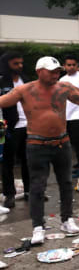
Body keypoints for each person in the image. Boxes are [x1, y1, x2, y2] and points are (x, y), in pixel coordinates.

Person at [0, 56, 79, 245]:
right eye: (51, 71)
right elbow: (2, 101)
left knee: (66, 183)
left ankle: (67, 220)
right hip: (36, 145)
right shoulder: (25, 90)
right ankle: (38, 227)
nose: (56, 74)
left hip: (62, 143)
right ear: (39, 71)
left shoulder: (64, 88)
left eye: (57, 71)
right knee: (37, 187)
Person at [0, 52, 29, 210]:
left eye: (21, 63)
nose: (20, 66)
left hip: (29, 126)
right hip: (9, 128)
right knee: (8, 163)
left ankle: (29, 192)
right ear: (6, 64)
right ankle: (9, 195)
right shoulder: (2, 81)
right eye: (15, 63)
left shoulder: (26, 79)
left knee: (28, 161)